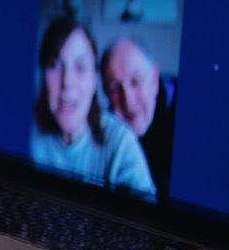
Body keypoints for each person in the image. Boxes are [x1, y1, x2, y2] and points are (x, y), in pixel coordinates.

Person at [30, 18, 155, 197]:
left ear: (95, 79)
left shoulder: (122, 145)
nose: (67, 82)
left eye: (80, 67)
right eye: (55, 65)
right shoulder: (25, 131)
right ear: (42, 73)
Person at [100, 37, 177, 196]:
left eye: (135, 82)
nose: (128, 101)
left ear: (154, 80)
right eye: (115, 88)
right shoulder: (108, 130)